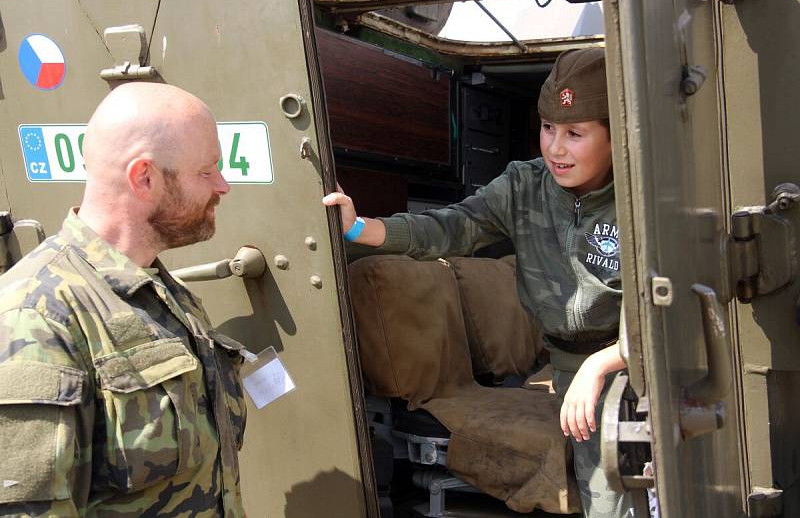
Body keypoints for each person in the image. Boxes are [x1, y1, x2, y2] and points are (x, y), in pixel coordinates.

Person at [324, 48, 634, 518]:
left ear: (616, 138)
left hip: (633, 362)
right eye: (549, 129)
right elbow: (452, 227)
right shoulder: (524, 185)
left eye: (576, 133)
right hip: (572, 367)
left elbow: (658, 300)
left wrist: (602, 364)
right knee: (606, 501)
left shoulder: (640, 196)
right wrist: (361, 227)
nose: (555, 148)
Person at [0, 83, 249, 516]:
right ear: (144, 177)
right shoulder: (37, 317)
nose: (223, 185)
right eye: (207, 171)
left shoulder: (169, 295)